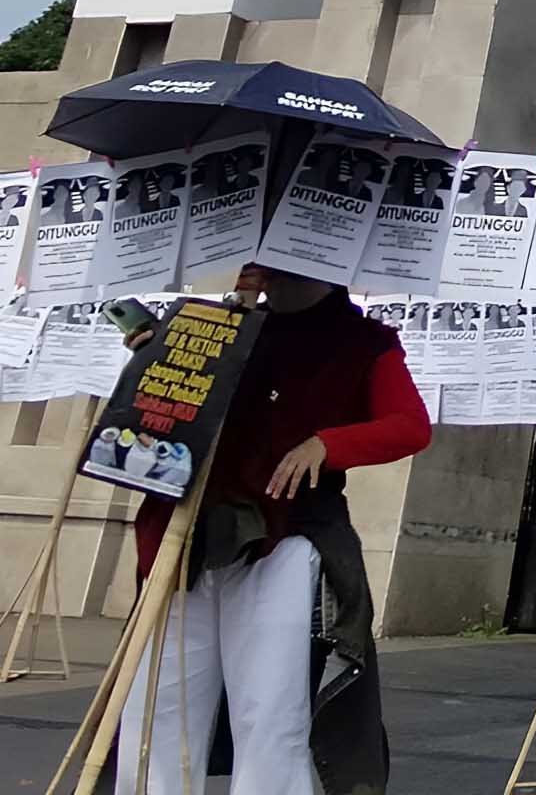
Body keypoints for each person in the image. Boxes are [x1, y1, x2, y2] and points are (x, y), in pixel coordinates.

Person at [116, 262, 432, 795]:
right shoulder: (218, 324)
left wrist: (329, 444)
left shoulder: (362, 341)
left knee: (266, 709)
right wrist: (159, 357)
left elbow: (409, 426)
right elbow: (169, 419)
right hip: (189, 534)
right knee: (156, 703)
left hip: (280, 537)